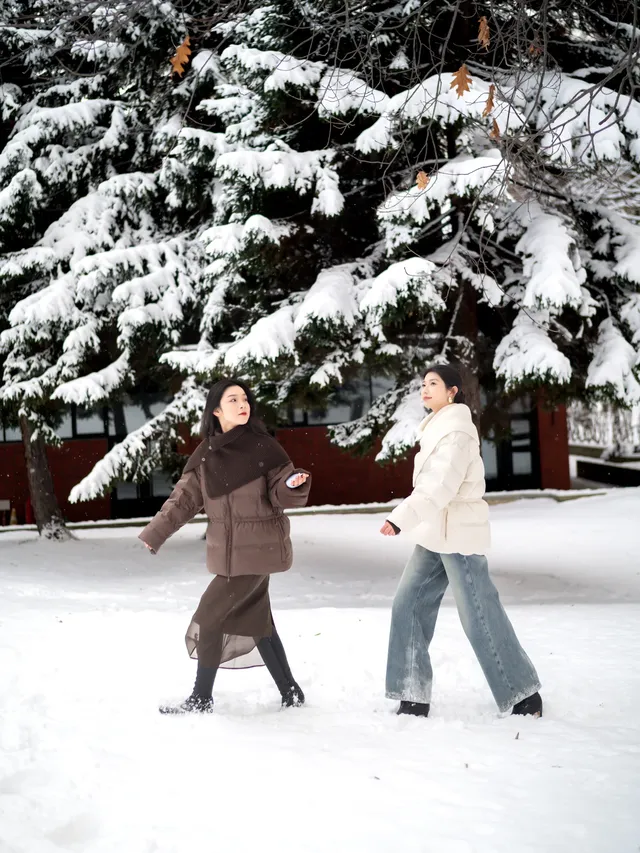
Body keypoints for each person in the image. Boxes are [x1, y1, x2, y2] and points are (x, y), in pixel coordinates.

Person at [139, 378, 311, 714]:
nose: (242, 404)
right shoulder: (205, 455)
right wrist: (155, 533)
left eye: (245, 398)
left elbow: (280, 492)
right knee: (259, 623)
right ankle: (291, 691)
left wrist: (292, 484)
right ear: (216, 410)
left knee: (210, 615)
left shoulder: (265, 447)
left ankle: (201, 697)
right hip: (229, 554)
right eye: (233, 399)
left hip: (260, 550)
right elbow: (184, 500)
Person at [380, 365, 542, 718]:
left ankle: (524, 694)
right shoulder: (437, 426)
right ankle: (413, 693)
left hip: (459, 533)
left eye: (433, 383)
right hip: (435, 531)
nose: (425, 388)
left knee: (479, 615)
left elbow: (440, 486)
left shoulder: (456, 432)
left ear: (452, 391)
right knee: (407, 605)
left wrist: (401, 517)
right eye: (423, 383)